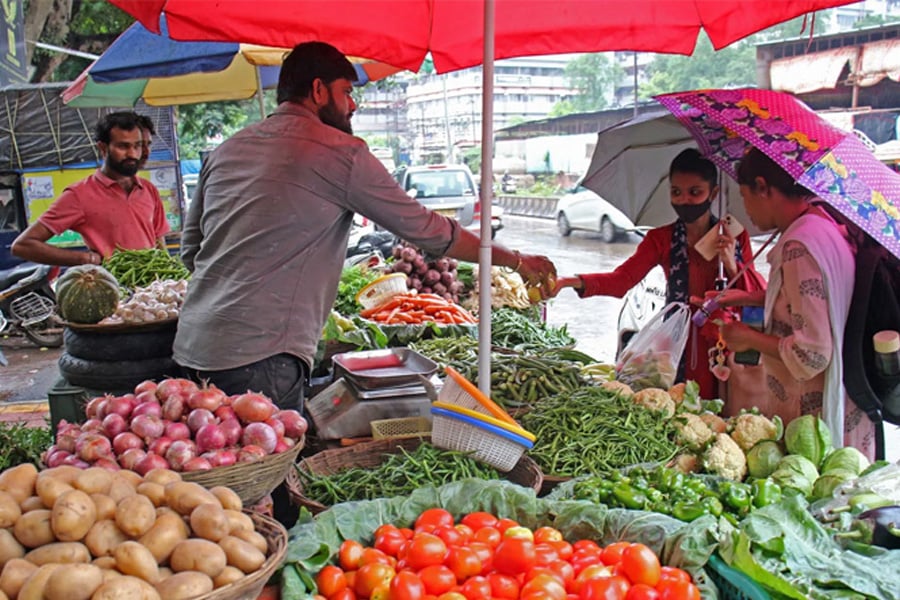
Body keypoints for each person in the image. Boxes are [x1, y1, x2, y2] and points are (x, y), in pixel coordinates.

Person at [174, 41, 555, 412]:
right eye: (346, 91)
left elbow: (192, 252)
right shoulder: (340, 153)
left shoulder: (226, 150)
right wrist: (516, 261)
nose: (352, 104)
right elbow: (430, 230)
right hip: (262, 355)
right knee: (266, 472)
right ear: (318, 90)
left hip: (192, 346)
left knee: (215, 474)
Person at [552, 149, 763, 400]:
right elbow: (622, 280)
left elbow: (755, 297)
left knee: (720, 412)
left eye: (695, 192)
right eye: (676, 192)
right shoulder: (660, 239)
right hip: (675, 344)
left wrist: (730, 263)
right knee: (676, 407)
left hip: (723, 346)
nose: (684, 200)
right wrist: (569, 281)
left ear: (714, 194)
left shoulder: (735, 236)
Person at [717, 148, 875, 459]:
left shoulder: (799, 246)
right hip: (847, 400)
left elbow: (812, 354)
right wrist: (750, 297)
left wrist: (747, 338)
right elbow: (811, 301)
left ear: (763, 187)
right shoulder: (821, 222)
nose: (745, 208)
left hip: (814, 419)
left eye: (745, 195)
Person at [11, 111, 169, 266]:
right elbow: (23, 245)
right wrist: (85, 259)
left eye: (137, 146)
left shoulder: (148, 190)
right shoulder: (79, 195)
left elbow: (160, 243)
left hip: (153, 287)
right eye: (123, 146)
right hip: (111, 288)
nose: (133, 154)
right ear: (103, 148)